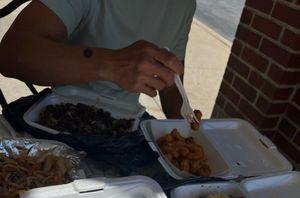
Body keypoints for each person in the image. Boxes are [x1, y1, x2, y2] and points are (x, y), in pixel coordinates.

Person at [0, 0, 197, 119]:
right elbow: (12, 52)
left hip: (127, 127)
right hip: (64, 114)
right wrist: (110, 65)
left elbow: (173, 83)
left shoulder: (185, 5)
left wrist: (189, 125)